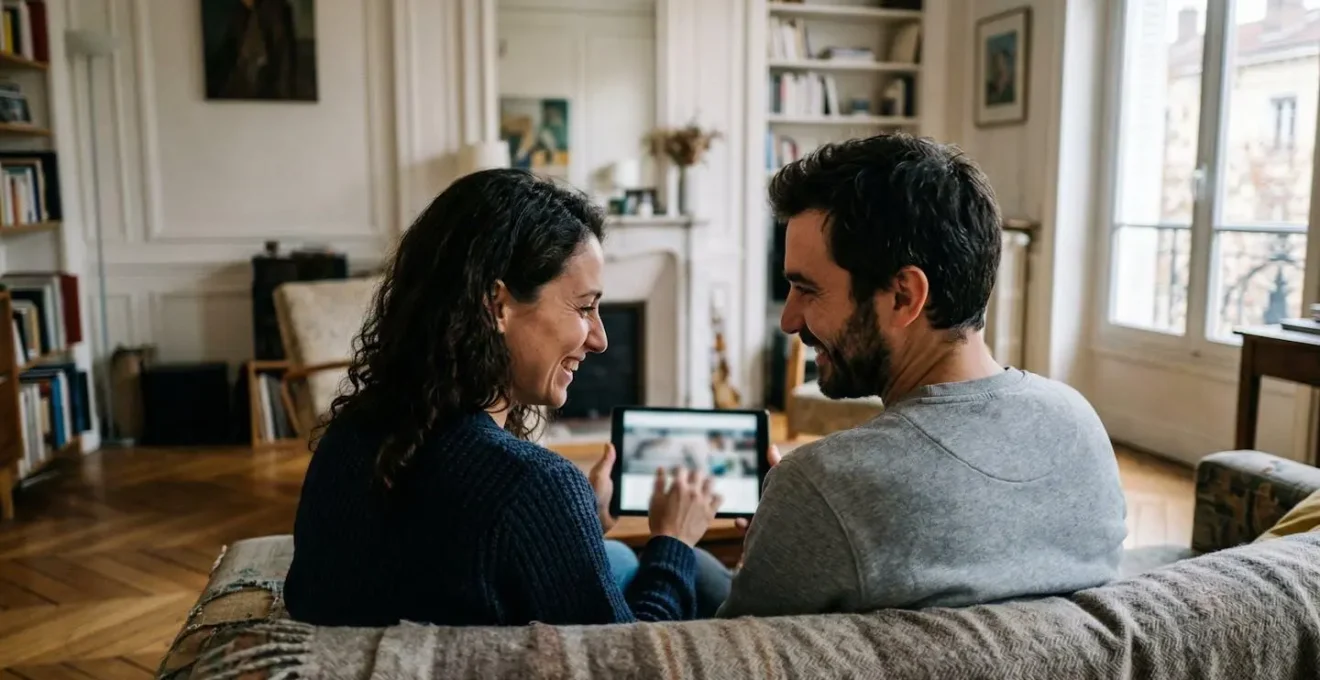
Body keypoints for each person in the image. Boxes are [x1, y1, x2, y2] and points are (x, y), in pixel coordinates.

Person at [283, 168, 727, 627]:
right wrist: (673, 541)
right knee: (699, 574)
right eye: (584, 307)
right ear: (497, 305)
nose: (600, 340)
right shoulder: (535, 486)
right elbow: (632, 662)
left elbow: (441, 559)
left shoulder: (353, 434)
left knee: (612, 552)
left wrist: (568, 529)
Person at [716, 134, 1128, 618]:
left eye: (807, 290)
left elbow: (736, 650)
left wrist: (796, 519)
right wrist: (795, 533)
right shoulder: (1080, 424)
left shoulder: (823, 485)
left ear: (903, 296)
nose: (789, 320)